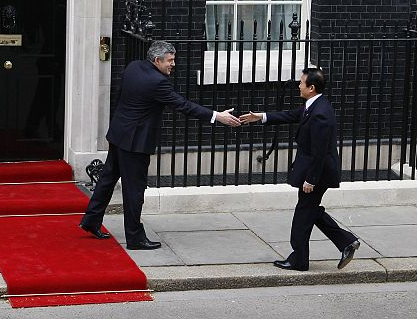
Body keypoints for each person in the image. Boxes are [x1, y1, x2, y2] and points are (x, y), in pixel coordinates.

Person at [79, 40, 241, 250]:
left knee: (107, 180)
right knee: (134, 190)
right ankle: (135, 238)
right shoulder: (158, 82)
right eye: (170, 60)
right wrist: (216, 116)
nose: (173, 64)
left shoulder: (134, 66)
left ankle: (91, 220)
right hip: (135, 142)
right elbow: (183, 105)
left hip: (119, 133)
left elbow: (121, 97)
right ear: (157, 60)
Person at [240, 67, 360, 271]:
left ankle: (300, 259)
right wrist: (260, 116)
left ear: (311, 88)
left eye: (301, 82)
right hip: (316, 170)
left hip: (318, 174)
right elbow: (290, 115)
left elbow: (320, 152)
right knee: (310, 211)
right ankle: (345, 241)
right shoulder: (314, 105)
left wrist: (311, 180)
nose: (298, 85)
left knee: (303, 215)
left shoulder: (320, 113)